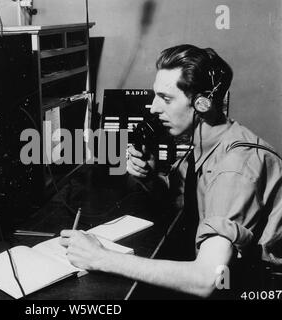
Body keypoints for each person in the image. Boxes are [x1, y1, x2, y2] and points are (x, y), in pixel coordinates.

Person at [59, 44, 282, 298]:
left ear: (202, 104)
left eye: (166, 98)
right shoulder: (207, 142)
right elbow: (183, 196)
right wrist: (151, 176)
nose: (154, 108)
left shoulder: (234, 168)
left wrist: (100, 257)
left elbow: (208, 279)